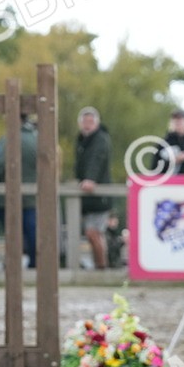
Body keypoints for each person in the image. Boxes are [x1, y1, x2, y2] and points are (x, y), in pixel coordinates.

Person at [0, 114, 37, 269]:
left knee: (12, 232)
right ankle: (35, 264)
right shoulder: (37, 137)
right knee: (32, 231)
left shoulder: (10, 138)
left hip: (8, 197)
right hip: (33, 196)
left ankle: (13, 265)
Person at [73, 107, 112, 269]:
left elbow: (97, 159)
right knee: (93, 233)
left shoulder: (100, 139)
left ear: (97, 123)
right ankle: (100, 266)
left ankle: (102, 266)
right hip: (89, 198)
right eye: (84, 121)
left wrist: (90, 179)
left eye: (90, 121)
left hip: (98, 196)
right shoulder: (82, 140)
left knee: (93, 232)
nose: (87, 125)